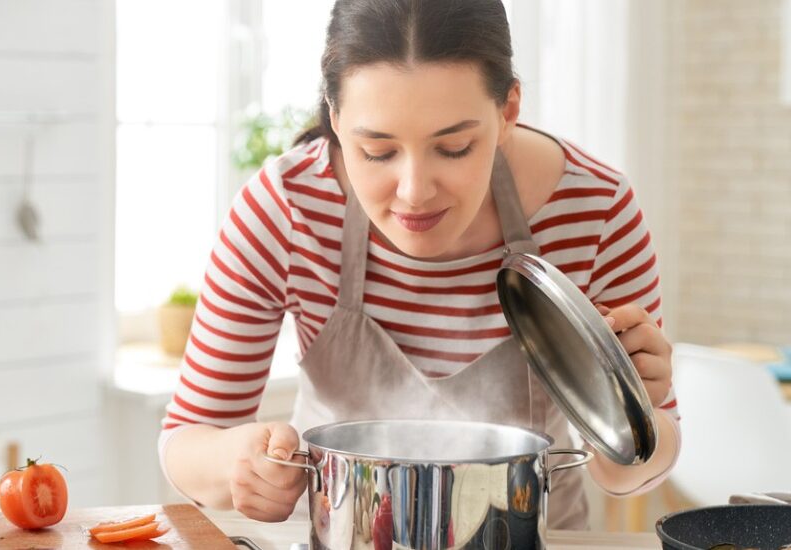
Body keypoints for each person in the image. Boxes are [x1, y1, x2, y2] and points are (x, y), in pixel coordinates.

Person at [159, 0, 679, 530]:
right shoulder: (286, 209)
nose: (414, 193)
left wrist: (636, 413)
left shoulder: (595, 208)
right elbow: (186, 440)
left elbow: (628, 474)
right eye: (378, 151)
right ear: (335, 119)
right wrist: (235, 465)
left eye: (454, 147)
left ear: (508, 112)